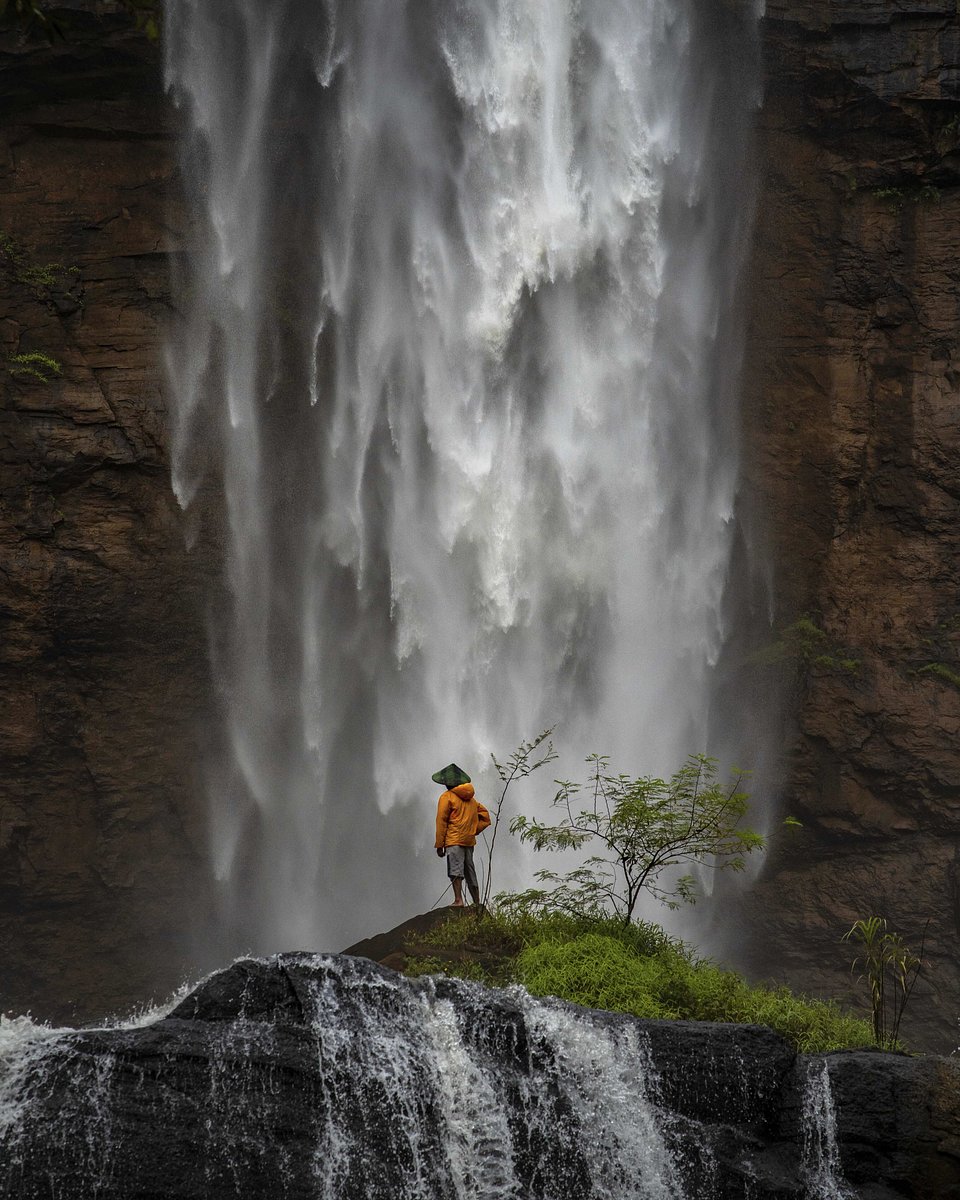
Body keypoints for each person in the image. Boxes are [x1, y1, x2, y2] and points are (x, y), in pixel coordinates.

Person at [433, 763, 490, 907]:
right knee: (470, 871)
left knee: (455, 871)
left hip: (454, 840)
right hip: (469, 841)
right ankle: (477, 902)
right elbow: (486, 817)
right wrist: (473, 830)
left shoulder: (447, 797)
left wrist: (440, 845)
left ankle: (458, 900)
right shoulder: (471, 800)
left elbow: (441, 821)